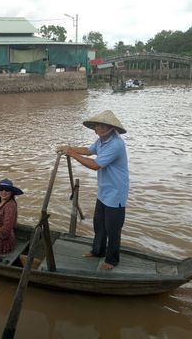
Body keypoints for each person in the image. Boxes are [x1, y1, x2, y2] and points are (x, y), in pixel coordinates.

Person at [57, 110, 129, 270]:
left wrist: (72, 154)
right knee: (99, 225)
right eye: (97, 125)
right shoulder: (101, 141)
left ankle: (112, 260)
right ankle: (97, 251)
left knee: (113, 229)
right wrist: (69, 148)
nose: (99, 128)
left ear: (111, 128)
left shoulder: (116, 144)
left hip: (116, 193)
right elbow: (88, 151)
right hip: (104, 191)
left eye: (103, 125)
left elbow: (95, 165)